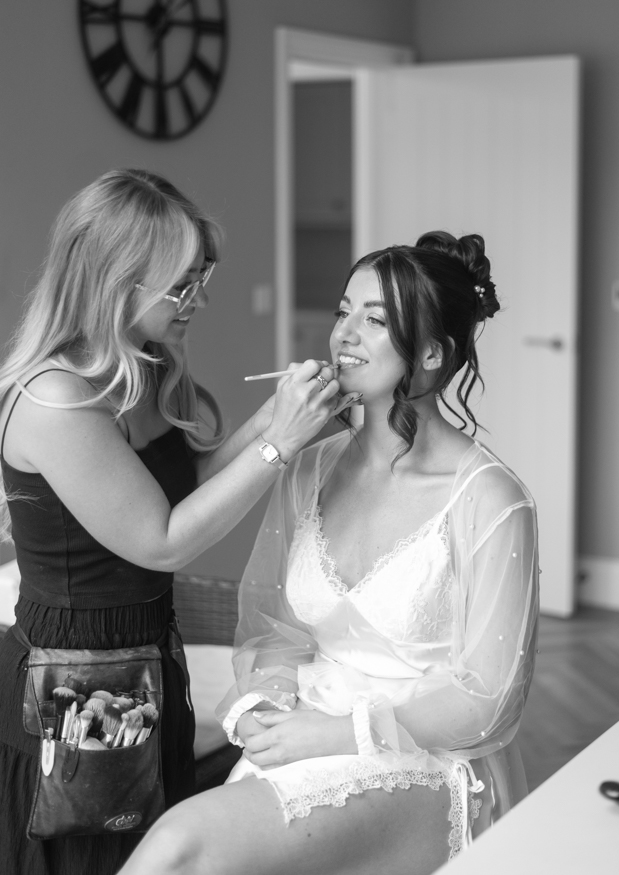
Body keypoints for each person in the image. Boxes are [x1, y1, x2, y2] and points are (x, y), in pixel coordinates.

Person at [118, 230, 539, 875]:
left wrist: (341, 734)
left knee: (180, 847)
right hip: (302, 732)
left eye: (375, 320)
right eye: (344, 311)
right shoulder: (310, 466)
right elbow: (275, 628)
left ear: (431, 354)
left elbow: (487, 702)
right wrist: (265, 703)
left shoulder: (490, 499)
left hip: (426, 761)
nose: (344, 334)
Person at [0, 168, 360, 875]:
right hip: (78, 689)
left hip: (146, 661)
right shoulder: (55, 399)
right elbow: (161, 538)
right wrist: (280, 441)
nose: (197, 299)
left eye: (202, 277)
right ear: (117, 278)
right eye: (181, 284)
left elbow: (182, 481)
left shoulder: (138, 366)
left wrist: (282, 414)